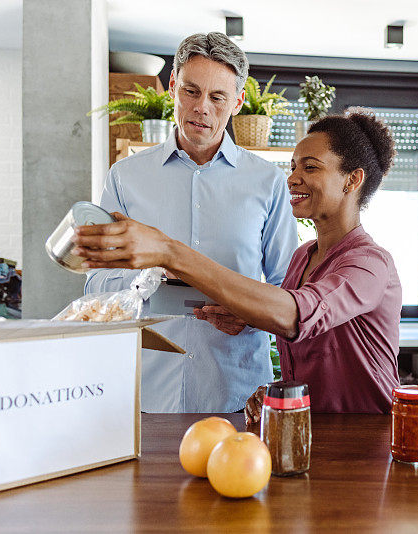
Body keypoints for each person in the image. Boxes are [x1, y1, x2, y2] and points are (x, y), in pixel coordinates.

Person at [74, 110, 402, 418]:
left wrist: (170, 252)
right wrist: (250, 328)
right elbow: (304, 346)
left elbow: (294, 316)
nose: (292, 179)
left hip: (368, 437)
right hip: (315, 432)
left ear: (352, 180)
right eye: (293, 167)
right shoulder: (305, 256)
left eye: (310, 167)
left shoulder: (370, 264)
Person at [85, 32, 298, 413]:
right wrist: (146, 279)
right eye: (191, 91)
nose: (202, 108)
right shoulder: (125, 177)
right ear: (172, 87)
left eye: (217, 97)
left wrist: (249, 316)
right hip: (143, 390)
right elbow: (96, 282)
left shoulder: (268, 182)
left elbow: (288, 288)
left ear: (238, 101)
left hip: (238, 391)